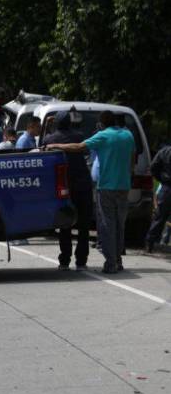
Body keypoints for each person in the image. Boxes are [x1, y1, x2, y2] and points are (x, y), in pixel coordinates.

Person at [47, 110, 135, 274]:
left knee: (106, 225)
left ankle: (109, 264)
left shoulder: (102, 136)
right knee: (118, 225)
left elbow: (78, 147)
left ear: (101, 123)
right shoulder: (128, 135)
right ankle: (115, 260)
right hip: (123, 186)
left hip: (105, 186)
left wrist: (55, 145)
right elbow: (132, 159)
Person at [43, 111, 93, 270]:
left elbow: (42, 148)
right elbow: (86, 152)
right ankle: (81, 261)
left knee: (65, 223)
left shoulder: (50, 139)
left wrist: (47, 127)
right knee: (83, 225)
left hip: (63, 186)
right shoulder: (79, 136)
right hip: (82, 184)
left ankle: (64, 260)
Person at [145, 142, 171, 253]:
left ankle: (150, 243)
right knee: (160, 217)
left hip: (167, 187)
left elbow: (153, 167)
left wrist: (161, 179)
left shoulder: (164, 151)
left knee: (159, 217)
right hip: (167, 185)